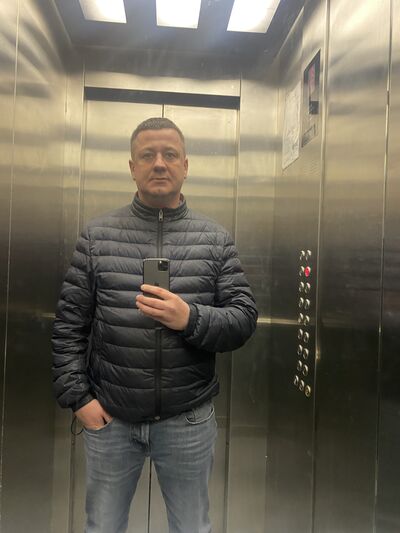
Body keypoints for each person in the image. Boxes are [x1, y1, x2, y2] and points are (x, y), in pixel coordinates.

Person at [52, 117, 258, 533]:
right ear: (132, 167)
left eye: (170, 154)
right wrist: (79, 400)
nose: (159, 163)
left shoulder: (215, 240)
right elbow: (69, 326)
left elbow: (243, 318)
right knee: (102, 526)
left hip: (188, 420)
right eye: (147, 155)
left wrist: (190, 317)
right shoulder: (97, 237)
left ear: (186, 165)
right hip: (111, 419)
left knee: (192, 527)